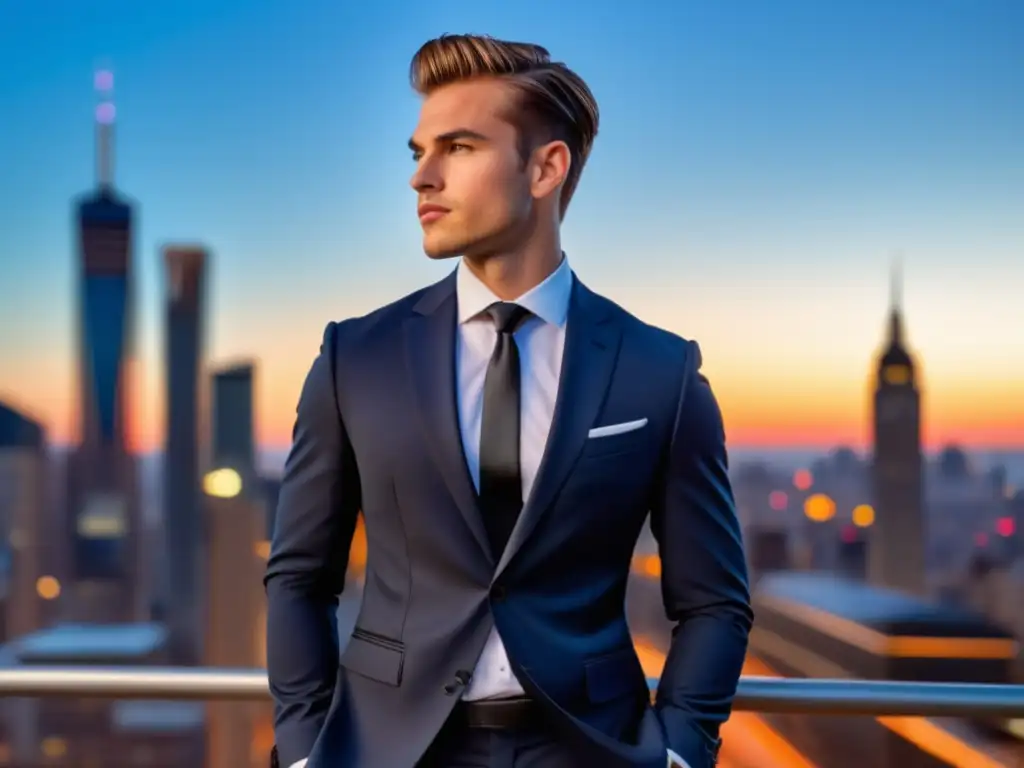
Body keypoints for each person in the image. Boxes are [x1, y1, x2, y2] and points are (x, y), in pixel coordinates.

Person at [265, 33, 752, 768]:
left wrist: (680, 749)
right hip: (387, 750)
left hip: (591, 749)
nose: (421, 178)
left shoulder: (659, 370)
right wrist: (305, 750)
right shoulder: (355, 357)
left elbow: (714, 601)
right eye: (417, 151)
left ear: (545, 168)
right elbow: (300, 576)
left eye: (458, 147)